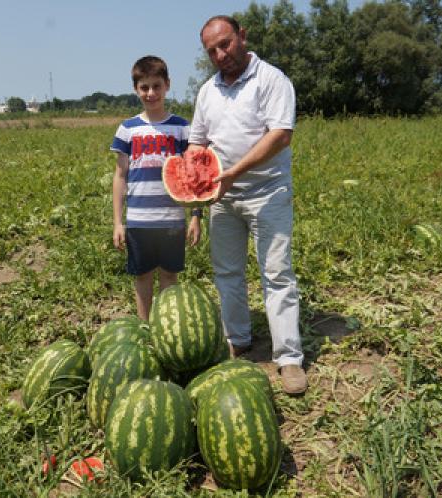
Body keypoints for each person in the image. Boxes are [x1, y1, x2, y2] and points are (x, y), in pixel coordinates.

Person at [187, 15, 307, 394]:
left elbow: (280, 136)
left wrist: (233, 172)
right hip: (223, 197)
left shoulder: (271, 80)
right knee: (227, 273)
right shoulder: (208, 91)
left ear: (242, 36)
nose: (221, 54)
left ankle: (288, 358)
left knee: (277, 274)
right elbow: (197, 143)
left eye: (225, 44)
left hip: (267, 193)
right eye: (212, 51)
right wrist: (194, 186)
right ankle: (237, 339)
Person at [110, 55, 202, 321]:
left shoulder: (183, 128)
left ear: (167, 85)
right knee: (142, 276)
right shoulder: (128, 129)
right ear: (136, 89)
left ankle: (166, 327)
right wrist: (118, 222)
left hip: (172, 219)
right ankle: (145, 327)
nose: (151, 93)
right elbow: (120, 176)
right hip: (139, 220)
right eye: (144, 87)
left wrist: (196, 215)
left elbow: (194, 176)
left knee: (169, 276)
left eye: (156, 86)